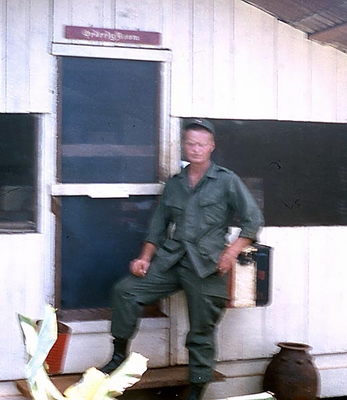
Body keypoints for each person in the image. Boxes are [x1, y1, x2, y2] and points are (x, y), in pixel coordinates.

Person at [100, 118, 265, 400]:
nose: (196, 149)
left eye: (201, 144)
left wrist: (230, 252)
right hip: (172, 260)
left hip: (208, 265)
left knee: (201, 330)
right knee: (125, 291)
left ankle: (196, 389)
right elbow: (158, 224)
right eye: (190, 143)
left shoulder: (226, 180)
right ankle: (118, 356)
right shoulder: (175, 184)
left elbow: (253, 221)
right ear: (184, 146)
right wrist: (144, 258)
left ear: (211, 146)